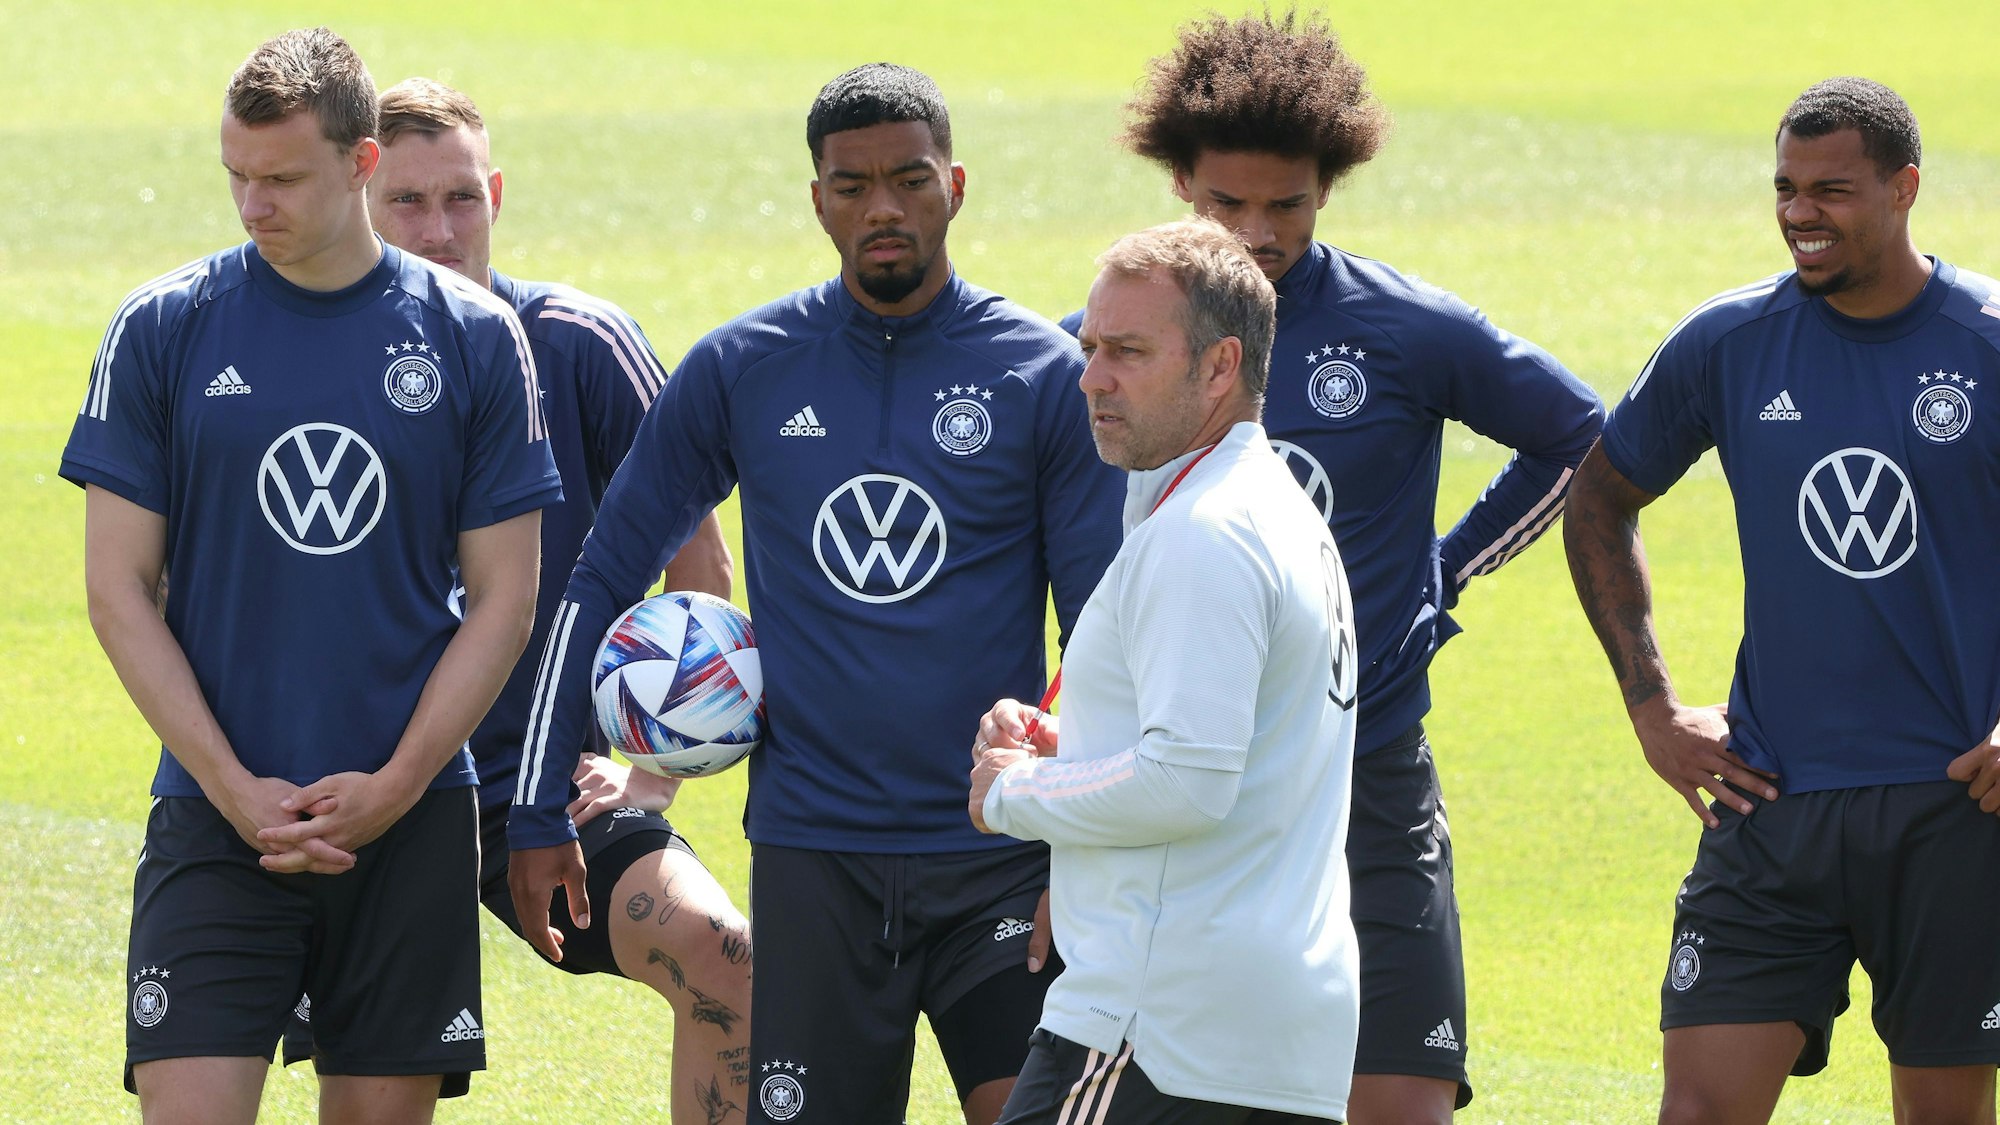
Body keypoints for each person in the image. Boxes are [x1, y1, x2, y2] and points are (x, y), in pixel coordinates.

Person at [507, 63, 1124, 1124]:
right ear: (816, 199)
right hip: (813, 864)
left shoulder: (1037, 376)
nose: (881, 208)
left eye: (908, 179)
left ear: (955, 186)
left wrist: (1089, 844)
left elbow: (1102, 632)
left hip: (996, 857)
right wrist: (531, 810)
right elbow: (598, 579)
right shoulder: (744, 368)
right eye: (850, 186)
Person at [1081, 12, 1605, 1120]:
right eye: (1226, 205)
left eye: (1288, 205)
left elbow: (1579, 438)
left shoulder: (1404, 329)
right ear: (1179, 181)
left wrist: (1443, 571)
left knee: (1404, 1098)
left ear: (1330, 183)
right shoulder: (1124, 342)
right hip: (1197, 795)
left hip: (1371, 773)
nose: (1257, 233)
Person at [60, 28, 560, 1125]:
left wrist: (392, 784)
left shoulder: (477, 339)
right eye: (236, 177)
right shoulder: (163, 328)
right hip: (216, 810)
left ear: (360, 163)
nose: (253, 206)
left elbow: (506, 598)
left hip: (410, 816)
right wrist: (235, 788)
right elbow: (116, 592)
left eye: (281, 178)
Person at [275, 77, 752, 1123]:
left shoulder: (582, 344)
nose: (440, 230)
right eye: (407, 203)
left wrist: (649, 774)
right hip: (365, 792)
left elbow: (700, 573)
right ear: (359, 200)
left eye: (462, 199)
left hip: (530, 795)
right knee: (372, 1102)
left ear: (495, 194)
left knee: (727, 968)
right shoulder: (303, 363)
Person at [1565, 77, 2000, 1124]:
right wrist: (1650, 705)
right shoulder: (1728, 343)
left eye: (1831, 190)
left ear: (1902, 190)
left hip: (1952, 809)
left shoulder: (1985, 343)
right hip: (1768, 800)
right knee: (1698, 1112)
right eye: (1785, 188)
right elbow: (1597, 501)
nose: (1799, 212)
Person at [970, 216, 1361, 1123]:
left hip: (1159, 1030)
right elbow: (1248, 744)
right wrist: (1079, 741)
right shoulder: (1282, 514)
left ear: (1220, 365)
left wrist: (1014, 791)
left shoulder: (1207, 535)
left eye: (1128, 352)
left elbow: (1186, 779)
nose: (1091, 377)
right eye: (1090, 347)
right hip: (1268, 1036)